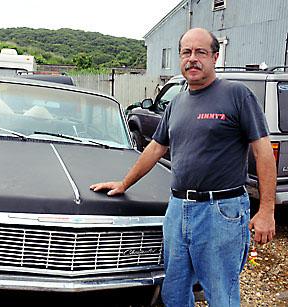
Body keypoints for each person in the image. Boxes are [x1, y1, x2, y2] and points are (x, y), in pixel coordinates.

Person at [90, 28, 276, 307]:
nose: (192, 59)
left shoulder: (237, 94)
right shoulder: (177, 102)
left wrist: (267, 211)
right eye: (186, 52)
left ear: (215, 56)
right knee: (174, 293)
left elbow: (263, 152)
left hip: (221, 212)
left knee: (220, 294)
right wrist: (124, 183)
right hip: (178, 210)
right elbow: (155, 147)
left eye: (200, 52)